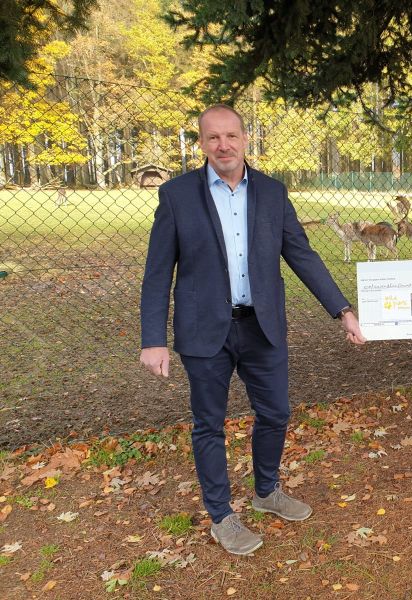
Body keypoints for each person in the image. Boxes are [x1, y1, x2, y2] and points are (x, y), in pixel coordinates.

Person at [140, 104, 366, 556]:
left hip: (263, 327)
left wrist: (342, 310)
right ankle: (222, 516)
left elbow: (302, 255)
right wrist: (153, 338)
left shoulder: (272, 192)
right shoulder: (177, 195)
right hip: (206, 332)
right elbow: (157, 270)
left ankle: (266, 492)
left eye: (231, 136)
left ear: (245, 140)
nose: (223, 145)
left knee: (277, 413)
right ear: (202, 143)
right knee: (208, 425)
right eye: (213, 138)